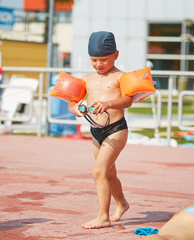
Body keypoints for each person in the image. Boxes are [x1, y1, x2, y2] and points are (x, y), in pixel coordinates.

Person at [68, 31, 133, 229]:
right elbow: (72, 103)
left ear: (116, 55)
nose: (99, 64)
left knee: (99, 171)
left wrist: (109, 103)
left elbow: (128, 100)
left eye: (103, 59)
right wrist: (77, 110)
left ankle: (103, 217)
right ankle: (122, 203)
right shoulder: (86, 79)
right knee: (109, 174)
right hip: (96, 131)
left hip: (116, 130)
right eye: (94, 60)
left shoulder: (121, 77)